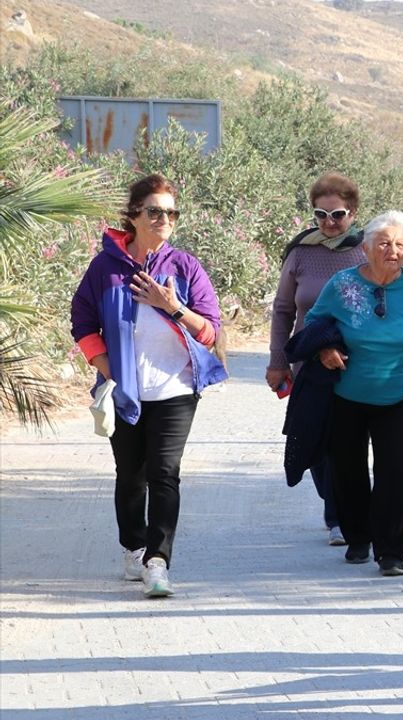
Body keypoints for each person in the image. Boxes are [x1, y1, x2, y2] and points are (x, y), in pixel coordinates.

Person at [70, 173, 228, 598]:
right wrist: (108, 369)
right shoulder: (105, 267)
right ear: (134, 216)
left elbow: (210, 331)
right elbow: (82, 320)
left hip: (176, 388)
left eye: (170, 213)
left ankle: (158, 562)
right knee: (131, 475)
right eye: (154, 211)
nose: (164, 219)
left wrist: (172, 306)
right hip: (125, 391)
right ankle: (133, 546)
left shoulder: (185, 267)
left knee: (164, 473)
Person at [305, 210, 403, 577]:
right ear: (366, 248)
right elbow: (314, 321)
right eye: (384, 243)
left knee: (396, 472)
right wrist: (324, 349)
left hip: (399, 393)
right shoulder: (342, 284)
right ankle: (358, 537)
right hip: (347, 393)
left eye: (400, 244)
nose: (393, 250)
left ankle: (392, 551)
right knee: (348, 469)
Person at [266, 172, 365, 547]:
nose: (328, 223)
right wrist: (277, 362)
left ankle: (340, 513)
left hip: (356, 361)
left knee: (349, 437)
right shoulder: (300, 252)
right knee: (317, 438)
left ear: (353, 213)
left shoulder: (365, 250)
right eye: (320, 215)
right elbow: (283, 309)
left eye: (337, 214)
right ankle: (335, 506)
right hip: (308, 362)